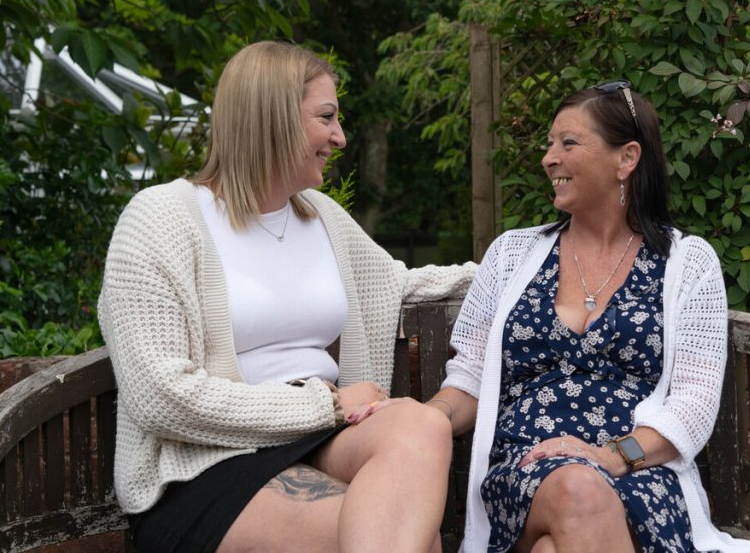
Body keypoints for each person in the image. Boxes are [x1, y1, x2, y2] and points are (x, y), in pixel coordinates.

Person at [97, 40, 474, 553]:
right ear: (272, 118)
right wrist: (329, 405)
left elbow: (399, 283)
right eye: (326, 117)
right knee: (412, 538)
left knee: (422, 423)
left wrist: (527, 264)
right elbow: (160, 398)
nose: (339, 138)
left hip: (320, 439)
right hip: (205, 465)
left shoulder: (319, 215)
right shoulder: (161, 219)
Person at [424, 81, 750, 552]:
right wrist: (425, 420)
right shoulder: (511, 255)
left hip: (641, 475)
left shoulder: (688, 263)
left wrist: (612, 455)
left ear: (627, 158)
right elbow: (471, 375)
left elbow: (693, 406)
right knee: (575, 488)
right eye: (550, 144)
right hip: (525, 470)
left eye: (569, 143)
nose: (549, 158)